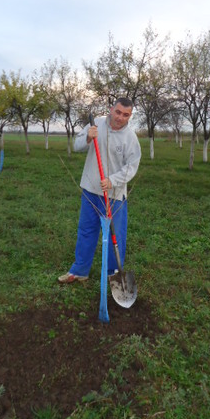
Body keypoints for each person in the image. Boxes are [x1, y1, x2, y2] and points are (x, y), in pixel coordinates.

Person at [58, 97, 141, 284]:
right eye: (118, 112)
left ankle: (113, 274)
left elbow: (131, 167)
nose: (120, 117)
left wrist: (113, 181)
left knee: (115, 236)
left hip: (114, 195)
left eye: (125, 115)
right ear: (112, 109)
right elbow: (77, 145)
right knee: (86, 230)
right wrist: (88, 137)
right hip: (90, 189)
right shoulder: (96, 124)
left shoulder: (130, 138)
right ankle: (80, 270)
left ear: (130, 116)